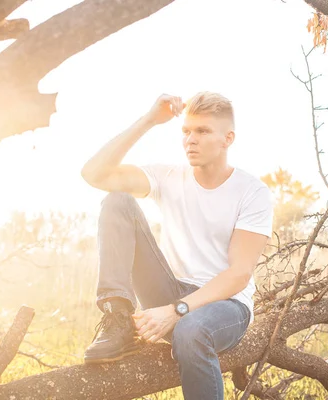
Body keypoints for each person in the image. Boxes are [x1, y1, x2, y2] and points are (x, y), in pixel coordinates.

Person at [80, 92, 274, 399]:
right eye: (186, 131)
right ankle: (118, 320)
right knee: (117, 200)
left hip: (226, 305)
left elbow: (239, 274)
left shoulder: (252, 192)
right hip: (169, 289)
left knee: (191, 332)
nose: (190, 140)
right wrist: (147, 121)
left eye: (203, 131)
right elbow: (94, 174)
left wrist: (177, 311)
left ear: (228, 138)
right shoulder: (167, 177)